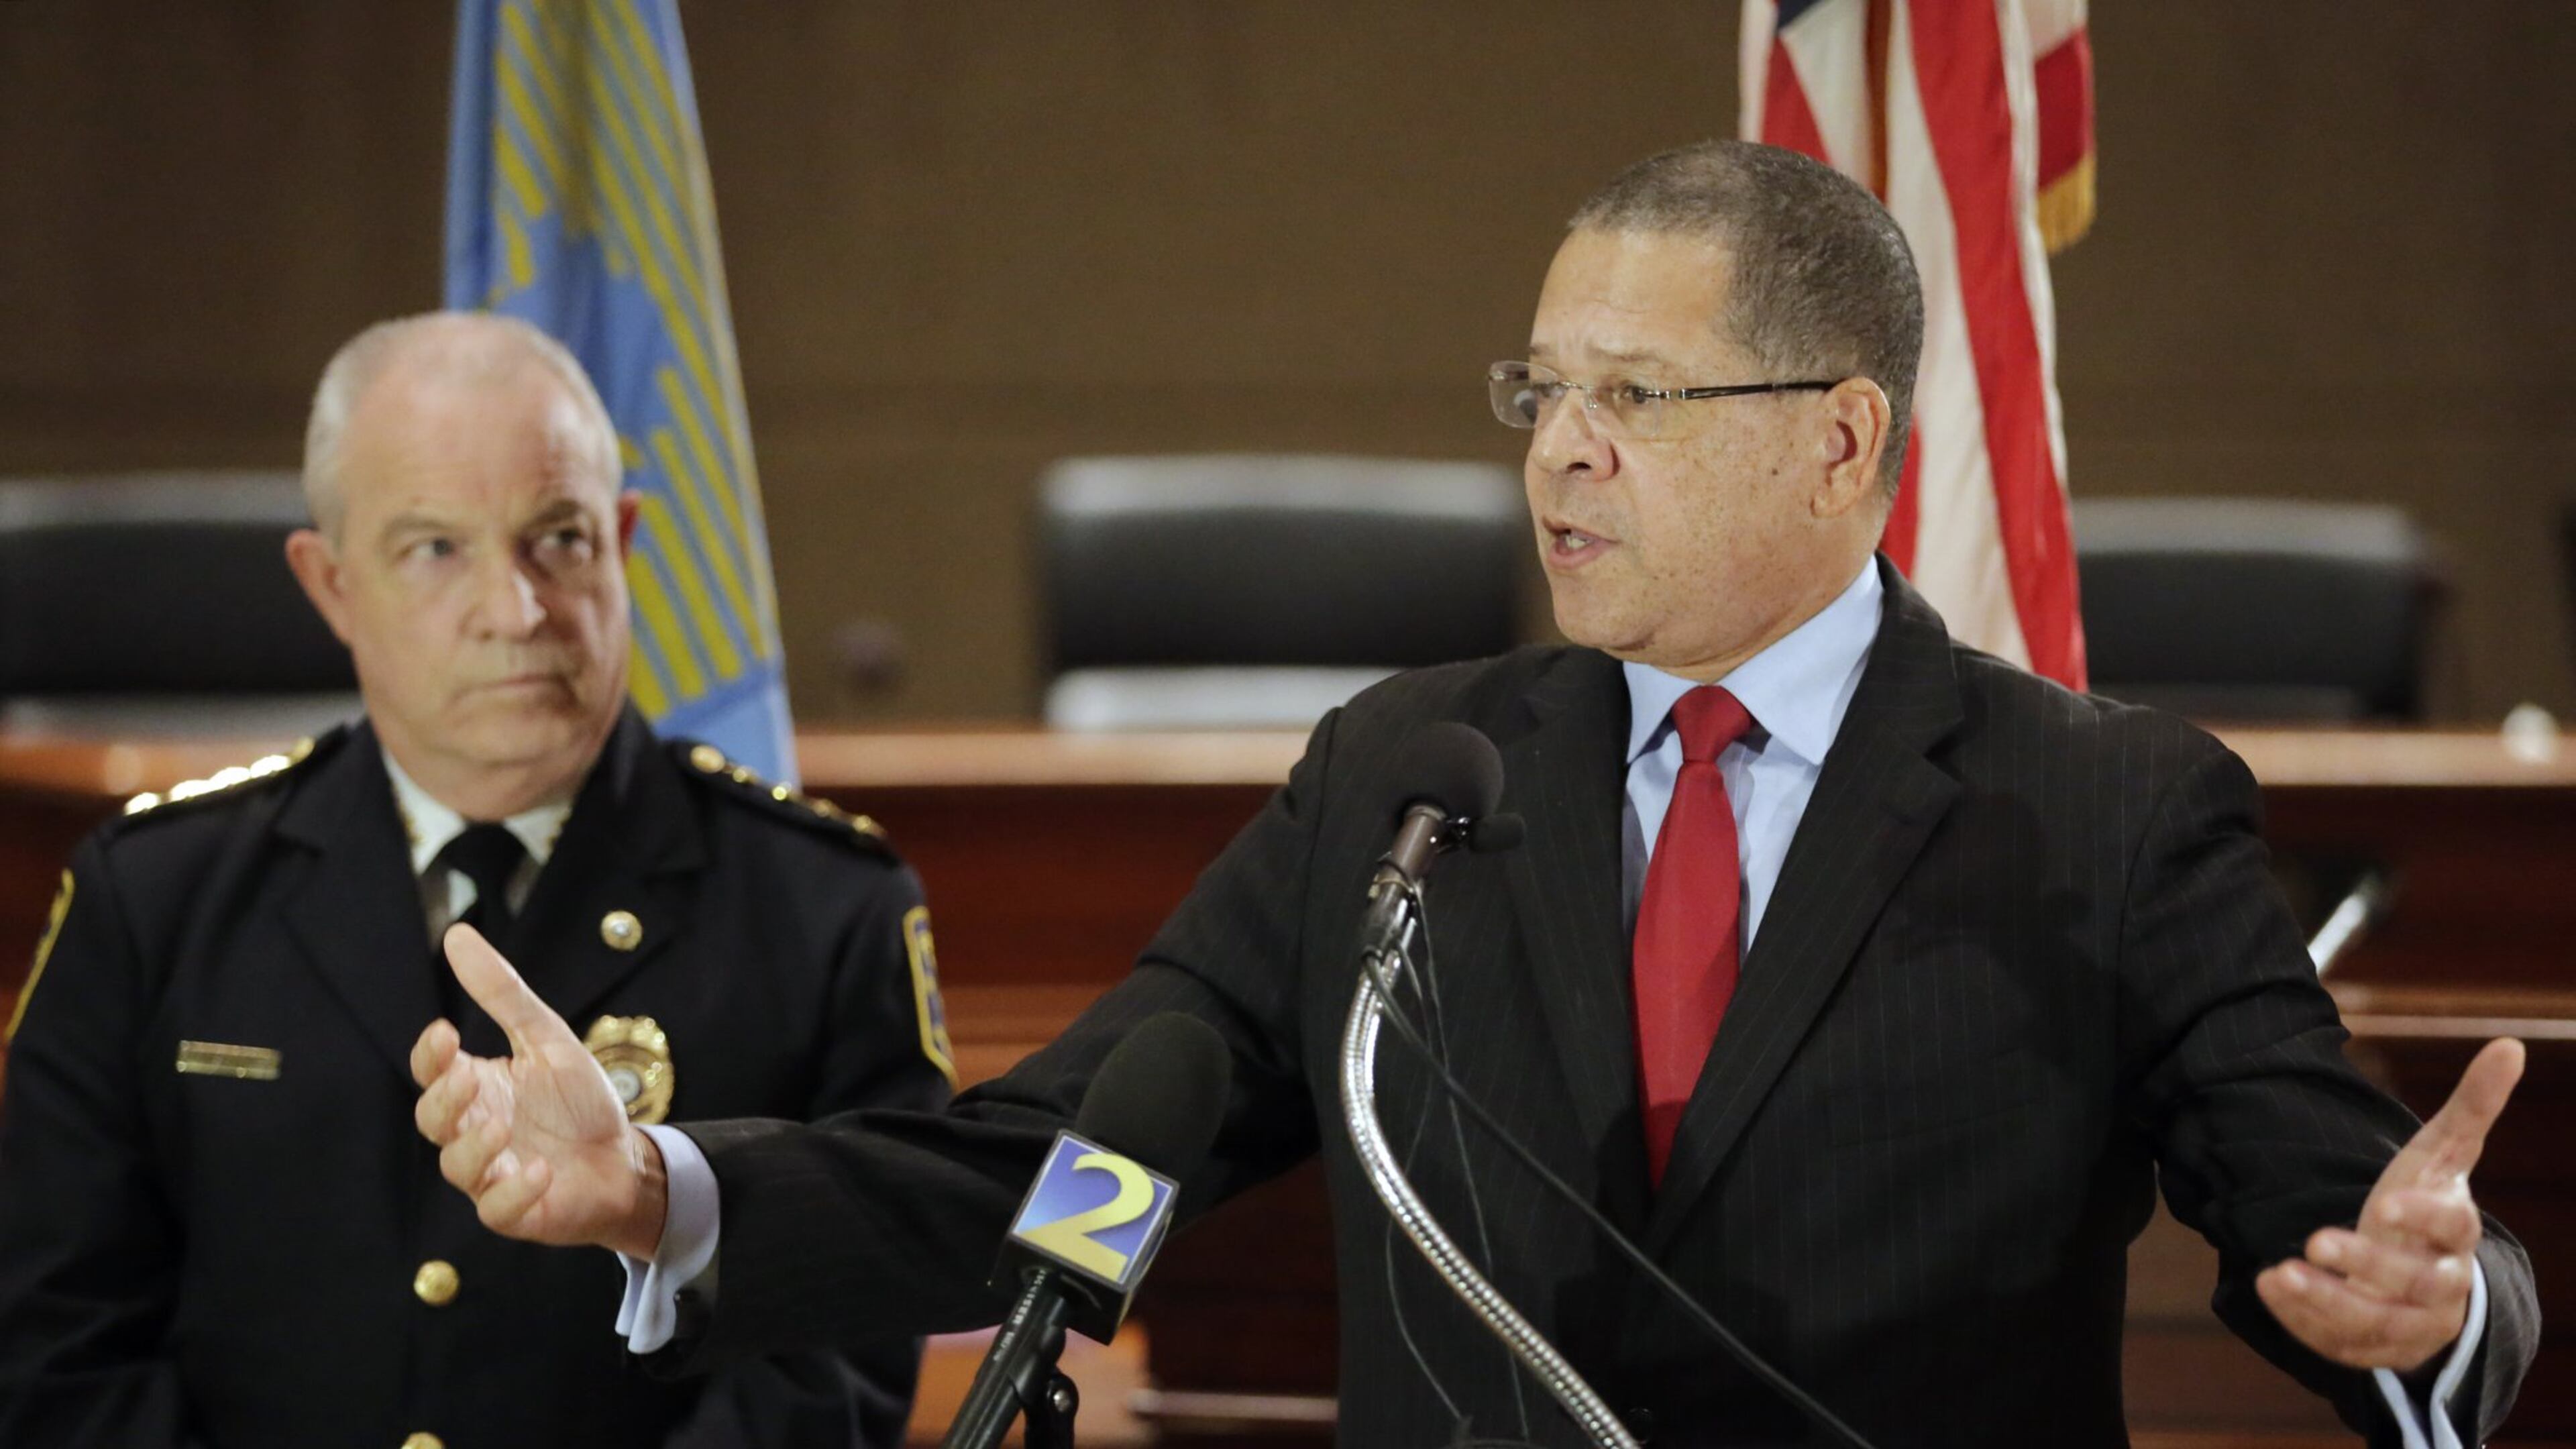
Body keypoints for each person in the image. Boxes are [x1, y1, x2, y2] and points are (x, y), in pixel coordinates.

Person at [411, 144, 2538, 1446]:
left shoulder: (2106, 808)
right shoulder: (1405, 780)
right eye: (1544, 390)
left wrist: (2434, 1311)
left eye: (1636, 397)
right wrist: (667, 1193)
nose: (1558, 453)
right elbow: (1082, 1167)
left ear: (1840, 441)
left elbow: (2343, 1227)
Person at [0, 313, 953, 1449]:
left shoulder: (824, 911)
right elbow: (59, 1348)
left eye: (559, 538)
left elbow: (832, 1372)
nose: (517, 612)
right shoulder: (154, 901)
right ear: (331, 584)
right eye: (435, 549)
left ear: (625, 539)